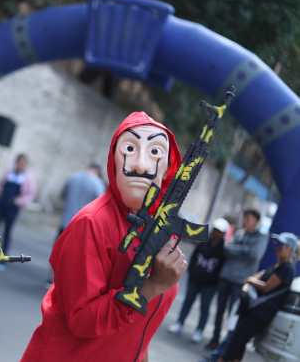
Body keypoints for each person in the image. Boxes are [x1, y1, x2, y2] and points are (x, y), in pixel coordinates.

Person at [20, 111, 188, 362]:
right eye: (130, 148)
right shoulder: (92, 224)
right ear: (113, 159)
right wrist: (152, 286)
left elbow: (139, 329)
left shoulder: (157, 229)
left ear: (168, 169)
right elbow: (83, 320)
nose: (141, 164)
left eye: (155, 152)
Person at [218, 232, 297, 362]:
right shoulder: (278, 265)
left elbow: (266, 286)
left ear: (289, 249)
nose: (277, 248)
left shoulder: (287, 268)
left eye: (282, 246)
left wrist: (249, 280)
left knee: (237, 341)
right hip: (252, 310)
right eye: (278, 245)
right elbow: (258, 276)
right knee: (236, 342)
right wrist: (251, 280)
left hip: (259, 314)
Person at [206, 209, 268, 350]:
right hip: (226, 277)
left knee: (233, 315)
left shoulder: (261, 237)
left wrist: (236, 249)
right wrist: (242, 250)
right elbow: (226, 249)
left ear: (256, 222)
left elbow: (254, 254)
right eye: (245, 218)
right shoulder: (239, 233)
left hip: (241, 282)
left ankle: (226, 345)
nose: (245, 221)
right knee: (219, 311)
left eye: (248, 219)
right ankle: (215, 339)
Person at [168, 217, 229, 343]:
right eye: (215, 230)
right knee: (187, 302)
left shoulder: (224, 250)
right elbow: (194, 257)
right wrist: (192, 272)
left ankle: (199, 330)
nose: (215, 233)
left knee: (204, 307)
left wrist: (215, 282)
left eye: (219, 231)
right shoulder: (203, 242)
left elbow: (222, 268)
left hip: (210, 285)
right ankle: (179, 323)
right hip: (195, 279)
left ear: (223, 234)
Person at [47, 163, 105, 284]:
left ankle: (51, 279)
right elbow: (101, 207)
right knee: (75, 256)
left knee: (59, 251)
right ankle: (63, 282)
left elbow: (62, 195)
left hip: (66, 221)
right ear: (98, 172)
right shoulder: (97, 184)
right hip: (83, 226)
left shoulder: (73, 177)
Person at [0, 153, 35, 258]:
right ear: (16, 162)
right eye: (19, 162)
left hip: (13, 208)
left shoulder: (27, 178)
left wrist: (17, 201)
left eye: (23, 163)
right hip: (1, 204)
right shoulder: (9, 173)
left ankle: (4, 253)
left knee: (7, 231)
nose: (21, 165)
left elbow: (29, 195)